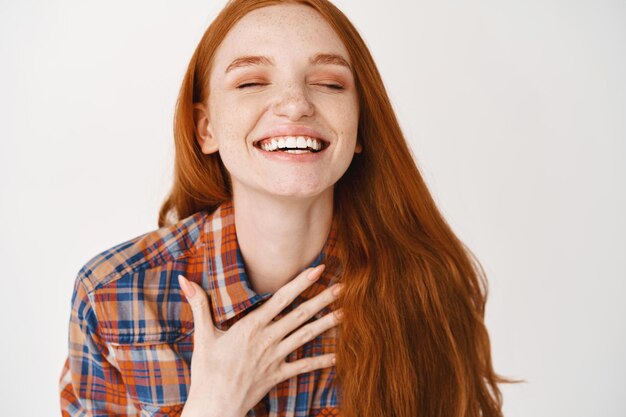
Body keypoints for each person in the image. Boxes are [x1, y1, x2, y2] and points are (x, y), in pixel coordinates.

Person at [59, 0, 519, 416]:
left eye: (328, 83)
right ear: (206, 130)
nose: (296, 104)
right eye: (252, 81)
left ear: (359, 129)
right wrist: (213, 407)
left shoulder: (430, 289)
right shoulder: (112, 297)